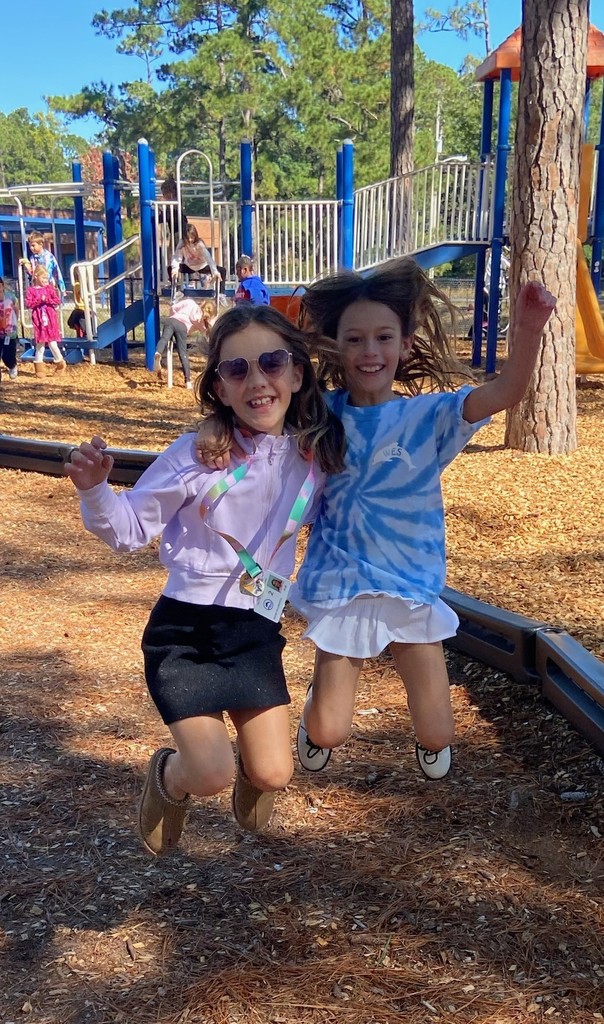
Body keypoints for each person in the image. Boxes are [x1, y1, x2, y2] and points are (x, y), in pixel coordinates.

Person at [197, 258, 556, 783]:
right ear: (335, 346)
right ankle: (319, 713)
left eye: (384, 337)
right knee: (330, 731)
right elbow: (256, 407)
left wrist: (527, 330)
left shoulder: (428, 417)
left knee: (437, 731)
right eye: (356, 339)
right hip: (344, 585)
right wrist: (214, 426)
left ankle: (428, 739)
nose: (370, 352)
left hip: (410, 585)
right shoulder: (319, 414)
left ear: (405, 344)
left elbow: (506, 393)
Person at [64, 304, 346, 857]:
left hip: (253, 632)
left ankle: (253, 776)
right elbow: (127, 529)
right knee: (211, 771)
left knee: (274, 772)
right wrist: (96, 490)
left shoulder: (317, 453)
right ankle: (171, 777)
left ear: (296, 373)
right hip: (186, 634)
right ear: (218, 387)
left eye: (271, 362)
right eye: (237, 370)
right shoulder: (197, 455)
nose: (257, 381)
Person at [153, 290, 209, 389]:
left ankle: (158, 352)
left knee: (164, 339)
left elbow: (173, 308)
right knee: (182, 352)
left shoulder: (189, 302)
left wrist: (172, 316)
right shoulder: (200, 318)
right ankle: (187, 381)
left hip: (171, 320)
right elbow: (205, 332)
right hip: (182, 327)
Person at [25, 265, 67, 376]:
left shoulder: (49, 289)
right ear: (36, 277)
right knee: (40, 344)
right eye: (43, 278)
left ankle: (60, 364)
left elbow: (57, 301)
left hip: (50, 319)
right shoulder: (31, 291)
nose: (45, 281)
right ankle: (39, 368)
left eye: (47, 278)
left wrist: (46, 299)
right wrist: (39, 300)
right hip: (39, 321)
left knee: (52, 343)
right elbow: (29, 304)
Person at [171, 224, 226, 294]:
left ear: (195, 236)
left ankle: (221, 294)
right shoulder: (182, 243)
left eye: (192, 237)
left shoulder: (199, 244)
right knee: (170, 269)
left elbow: (208, 258)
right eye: (188, 238)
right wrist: (175, 269)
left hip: (202, 266)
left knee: (222, 271)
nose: (190, 240)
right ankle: (176, 292)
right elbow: (177, 257)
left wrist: (214, 271)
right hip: (189, 266)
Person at [20, 231, 66, 297]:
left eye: (33, 245)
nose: (31, 248)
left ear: (41, 244)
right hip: (37, 287)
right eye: (30, 246)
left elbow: (49, 273)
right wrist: (27, 266)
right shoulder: (32, 258)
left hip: (48, 287)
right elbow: (34, 273)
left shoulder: (48, 257)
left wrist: (62, 288)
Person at [0, 277, 19, 380]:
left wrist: (15, 322)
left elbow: (16, 309)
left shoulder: (10, 297)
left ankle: (12, 365)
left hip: (9, 332)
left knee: (8, 355)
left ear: (2, 286)